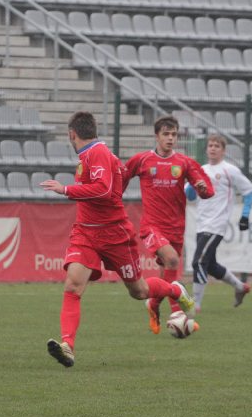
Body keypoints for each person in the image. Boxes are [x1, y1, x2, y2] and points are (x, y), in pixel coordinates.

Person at [40, 111, 196, 368]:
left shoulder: (97, 153)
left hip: (114, 234)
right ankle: (67, 346)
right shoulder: (94, 155)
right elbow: (117, 177)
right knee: (72, 286)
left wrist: (65, 189)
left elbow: (102, 188)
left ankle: (174, 289)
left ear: (72, 134)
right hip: (86, 232)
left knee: (139, 291)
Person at [122, 116, 214, 334]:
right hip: (152, 226)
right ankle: (177, 314)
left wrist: (201, 188)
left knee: (166, 276)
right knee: (172, 260)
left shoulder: (184, 163)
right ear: (157, 136)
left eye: (174, 134)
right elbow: (121, 179)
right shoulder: (142, 160)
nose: (170, 138)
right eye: (166, 134)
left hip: (176, 227)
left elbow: (208, 190)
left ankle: (153, 305)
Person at [185, 133, 252, 312]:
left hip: (217, 224)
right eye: (210, 146)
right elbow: (189, 195)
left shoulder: (229, 170)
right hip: (202, 223)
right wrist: (194, 185)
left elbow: (249, 191)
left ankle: (196, 304)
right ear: (206, 149)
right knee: (210, 265)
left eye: (217, 146)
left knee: (198, 262)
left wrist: (245, 215)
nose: (213, 149)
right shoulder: (200, 170)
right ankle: (240, 287)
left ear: (223, 151)